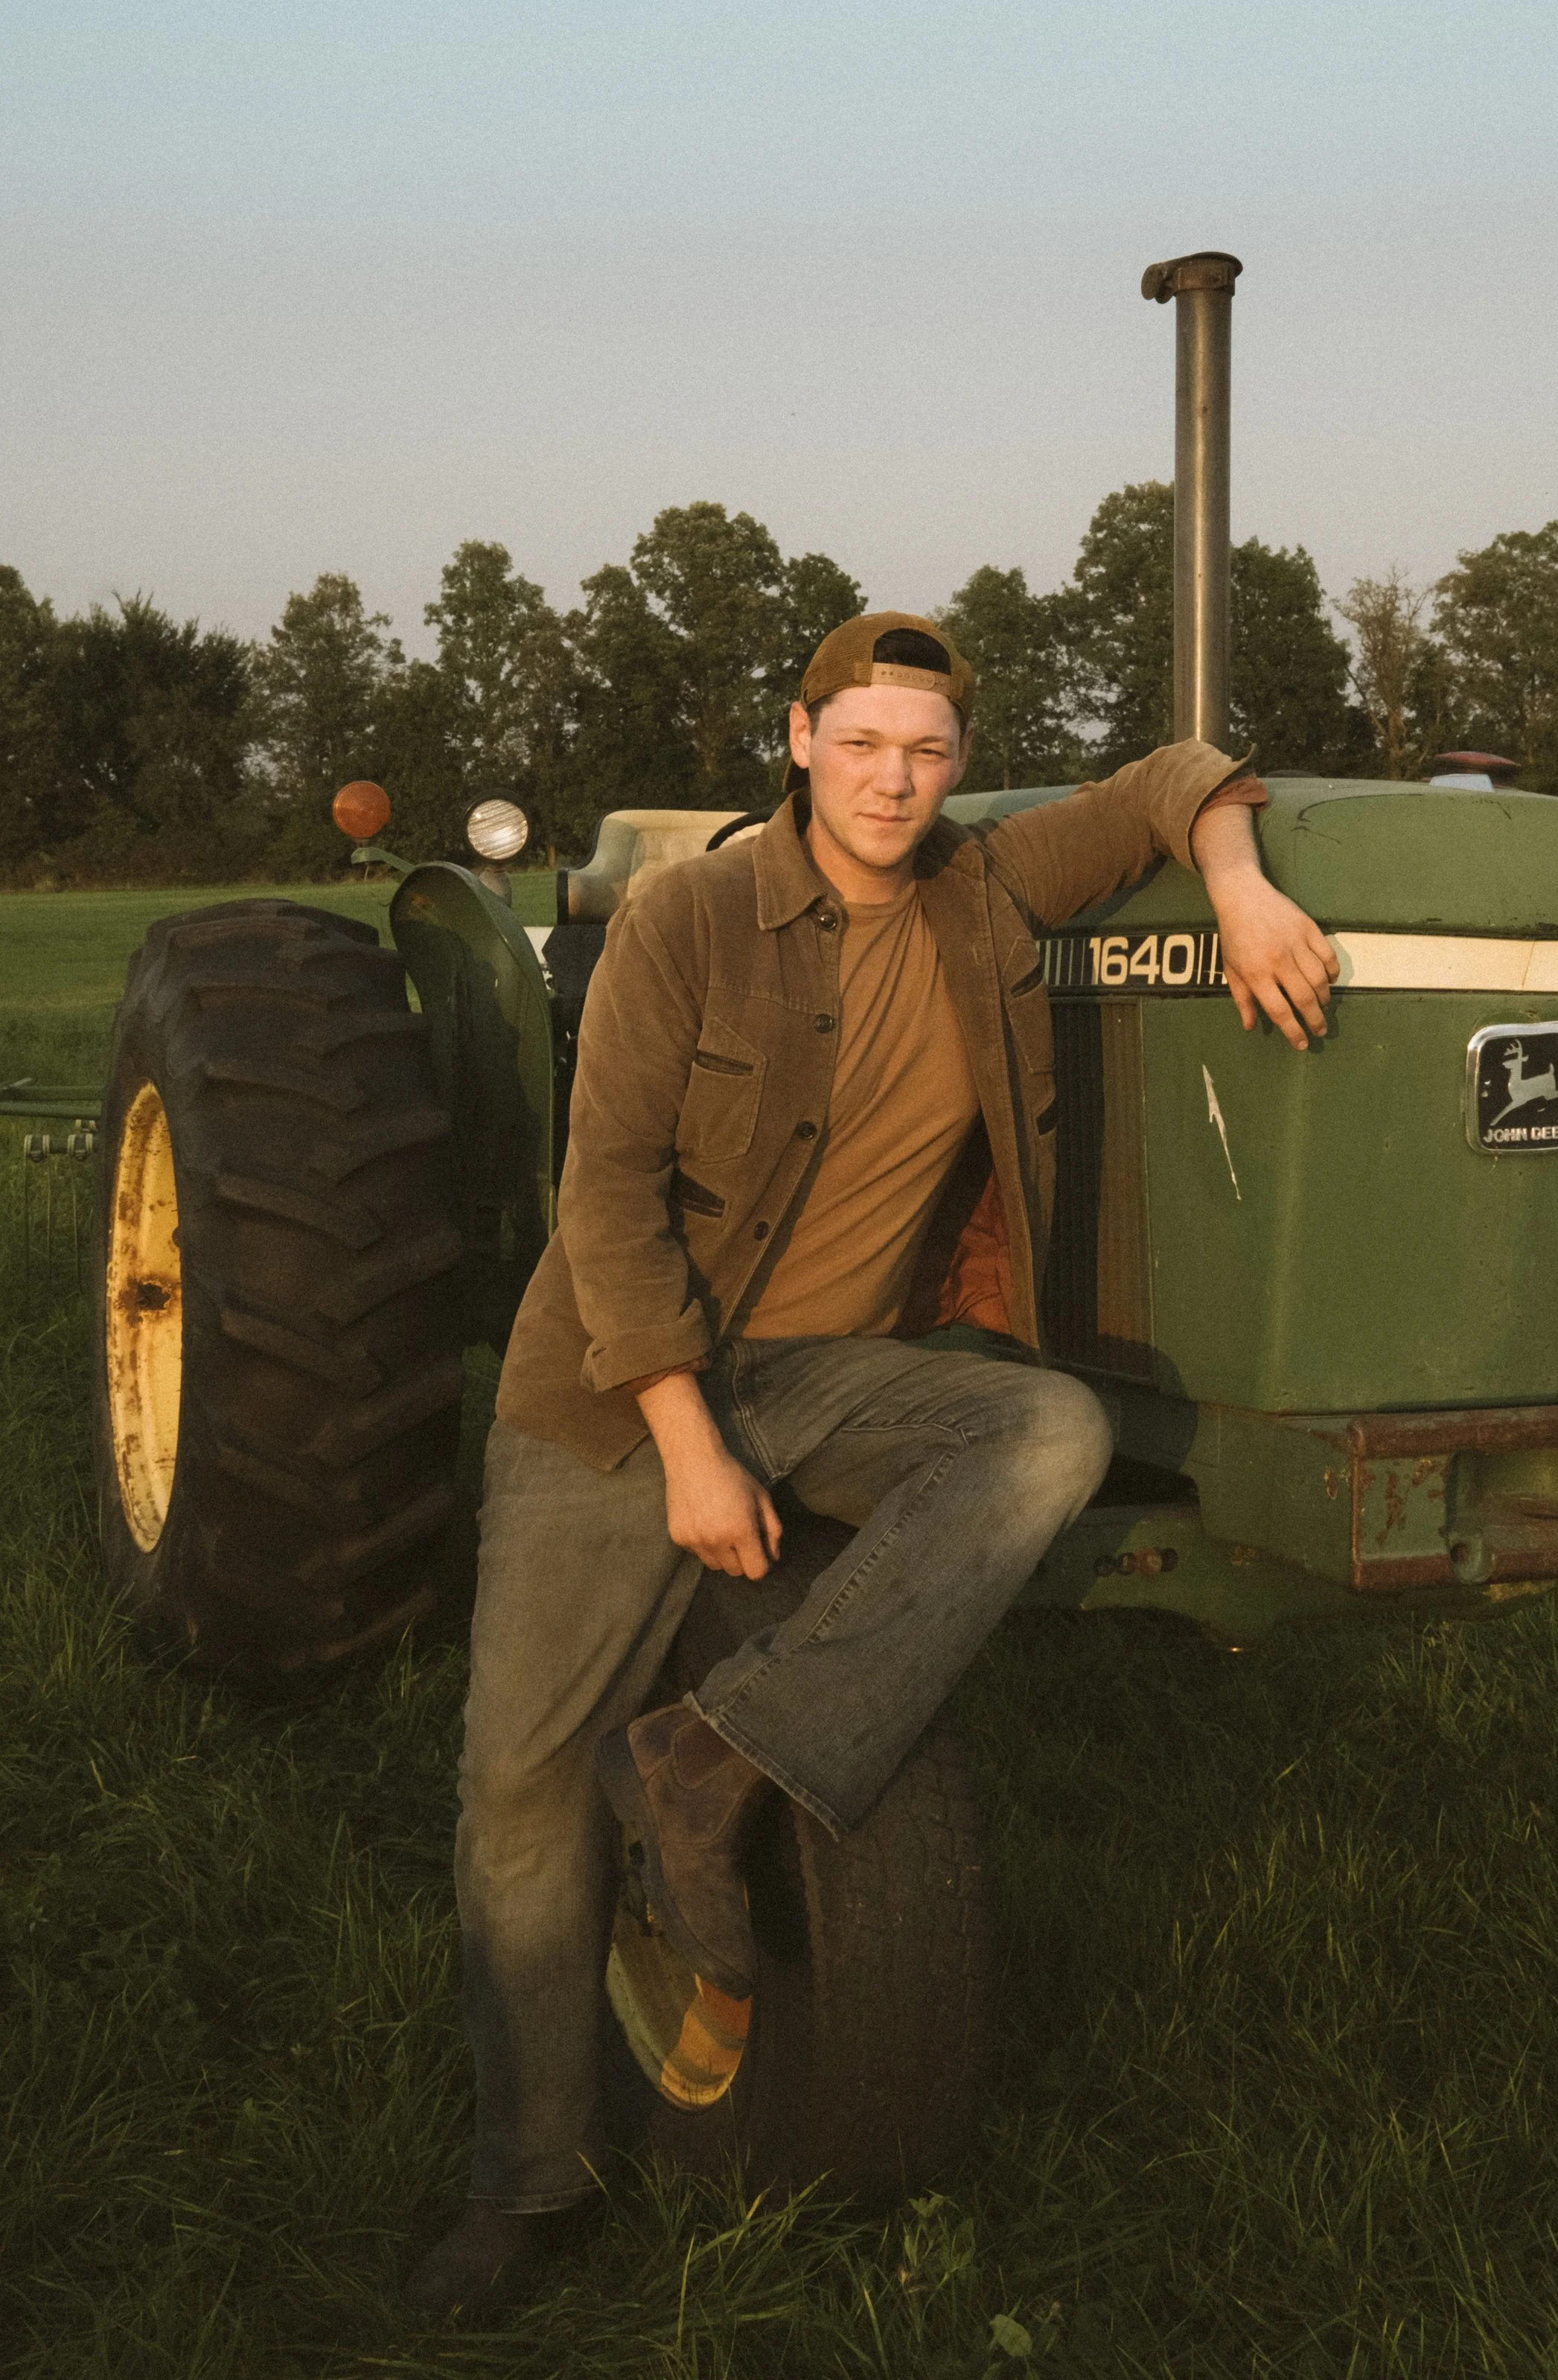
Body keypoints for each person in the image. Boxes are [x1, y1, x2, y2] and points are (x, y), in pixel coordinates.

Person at [404, 610, 1338, 2318]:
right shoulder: (687, 921)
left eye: (924, 750)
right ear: (798, 738)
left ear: (955, 763)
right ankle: (529, 2185)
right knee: (519, 1783)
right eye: (860, 744)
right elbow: (602, 1196)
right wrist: (686, 1444)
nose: (892, 778)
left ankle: (716, 1757)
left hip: (831, 1372)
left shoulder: (986, 891)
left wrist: (1239, 879)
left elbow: (1171, 775)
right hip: (615, 1386)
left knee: (1046, 1428)